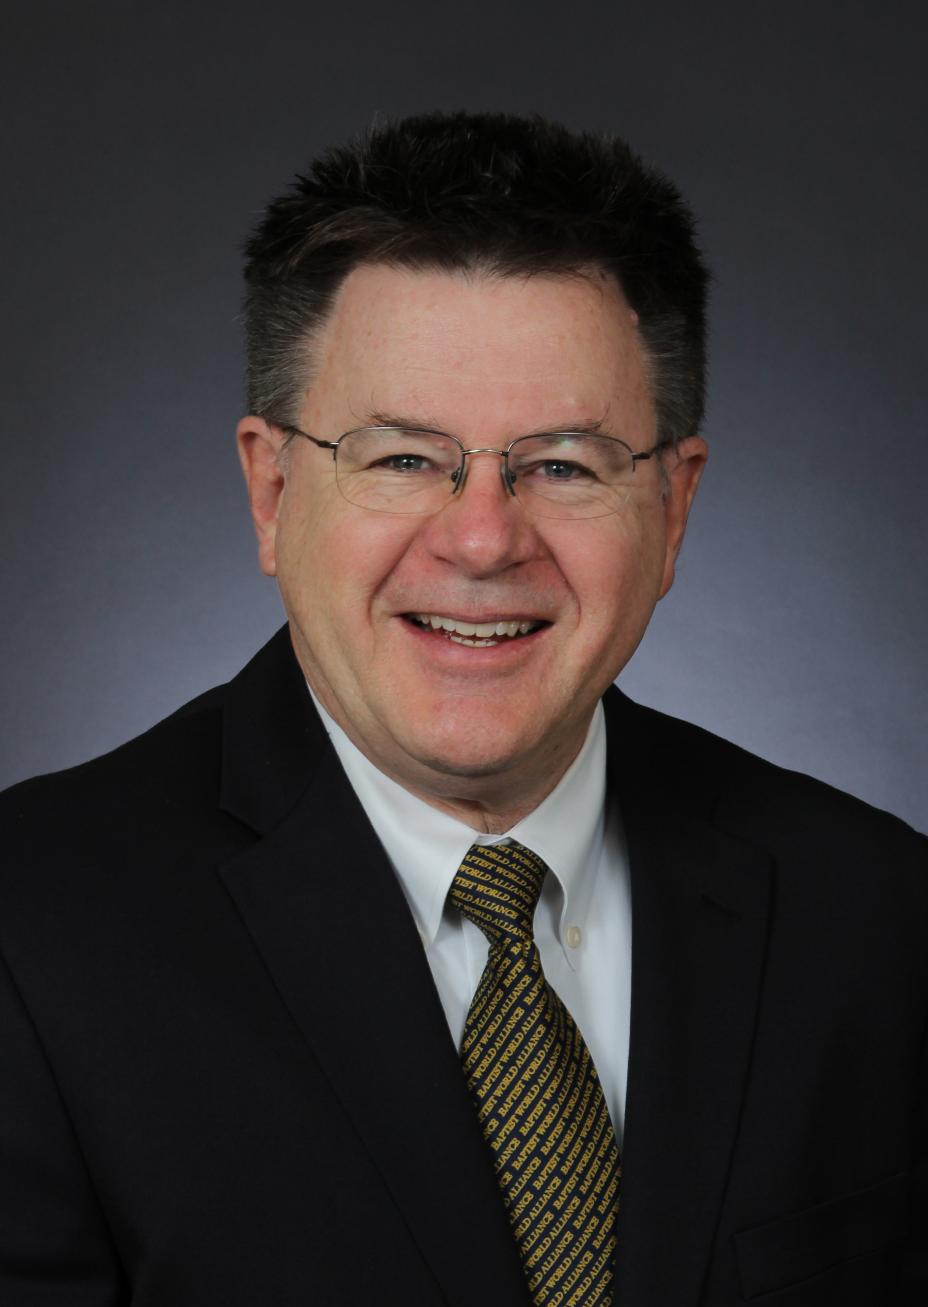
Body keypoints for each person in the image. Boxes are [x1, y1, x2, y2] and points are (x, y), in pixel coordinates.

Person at [0, 112, 924, 1307]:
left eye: (564, 464)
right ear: (271, 490)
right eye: (400, 457)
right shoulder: (32, 931)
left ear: (673, 509)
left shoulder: (876, 912)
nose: (483, 538)